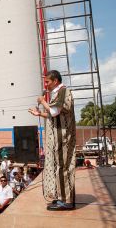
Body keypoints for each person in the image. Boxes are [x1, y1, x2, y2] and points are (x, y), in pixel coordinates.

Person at [29, 70, 76, 211]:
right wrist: (39, 113)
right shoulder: (57, 93)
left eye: (48, 81)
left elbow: (55, 111)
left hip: (63, 137)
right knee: (58, 167)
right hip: (57, 138)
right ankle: (60, 197)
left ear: (55, 81)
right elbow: (53, 114)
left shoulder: (63, 91)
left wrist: (42, 101)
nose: (46, 85)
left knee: (63, 167)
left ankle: (67, 201)